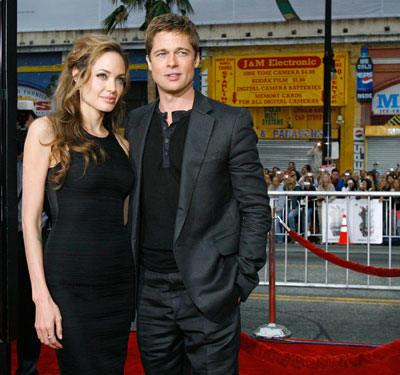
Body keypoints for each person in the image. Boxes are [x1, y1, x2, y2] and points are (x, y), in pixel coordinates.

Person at [124, 13, 271, 375]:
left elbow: (255, 207)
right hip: (150, 290)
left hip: (210, 289)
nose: (171, 63)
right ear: (148, 62)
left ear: (197, 58)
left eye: (181, 52)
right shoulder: (137, 121)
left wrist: (241, 281)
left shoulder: (230, 121)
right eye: (161, 54)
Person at [22, 34, 134, 374]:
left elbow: (122, 221)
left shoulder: (123, 144)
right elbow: (29, 222)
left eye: (119, 79)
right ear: (77, 75)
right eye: (102, 75)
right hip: (70, 284)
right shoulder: (47, 131)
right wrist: (41, 298)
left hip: (118, 285)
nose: (112, 87)